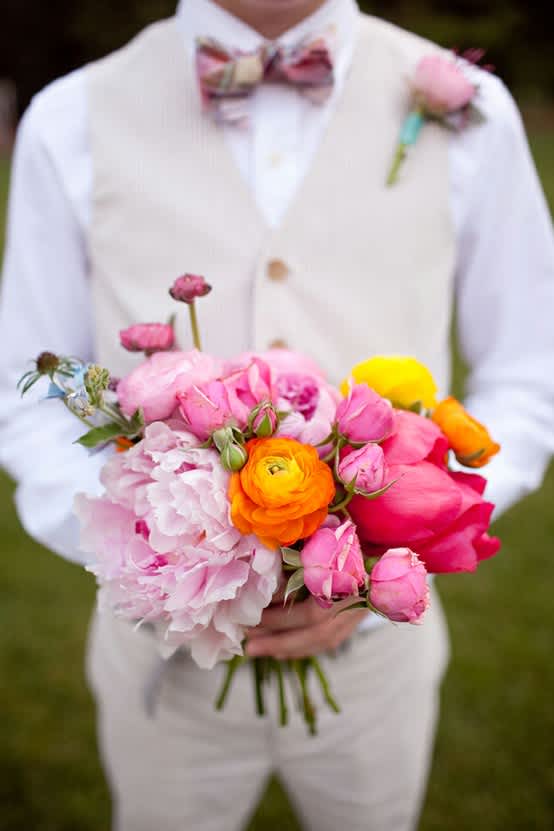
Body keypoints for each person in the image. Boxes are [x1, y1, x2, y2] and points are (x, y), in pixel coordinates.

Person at [1, 0, 554, 829]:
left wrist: (394, 542)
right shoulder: (71, 115)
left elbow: (530, 371)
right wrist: (160, 557)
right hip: (160, 664)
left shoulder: (473, 109)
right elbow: (27, 386)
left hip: (379, 658)